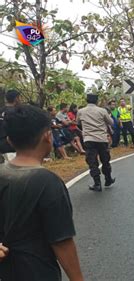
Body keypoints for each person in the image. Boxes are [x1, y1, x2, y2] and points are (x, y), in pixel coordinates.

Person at [0, 105, 83, 281]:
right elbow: (61, 241)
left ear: (10, 140)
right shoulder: (47, 182)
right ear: (47, 136)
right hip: (38, 271)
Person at [77, 93, 115, 192]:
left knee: (92, 162)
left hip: (89, 139)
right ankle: (108, 179)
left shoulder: (80, 111)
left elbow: (78, 123)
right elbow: (111, 122)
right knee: (105, 160)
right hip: (101, 139)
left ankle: (97, 184)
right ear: (97, 101)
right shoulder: (102, 111)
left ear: (86, 100)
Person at [0, 89, 21, 163]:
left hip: (2, 146)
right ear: (16, 98)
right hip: (12, 145)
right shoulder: (16, 112)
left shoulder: (1, 111)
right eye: (19, 97)